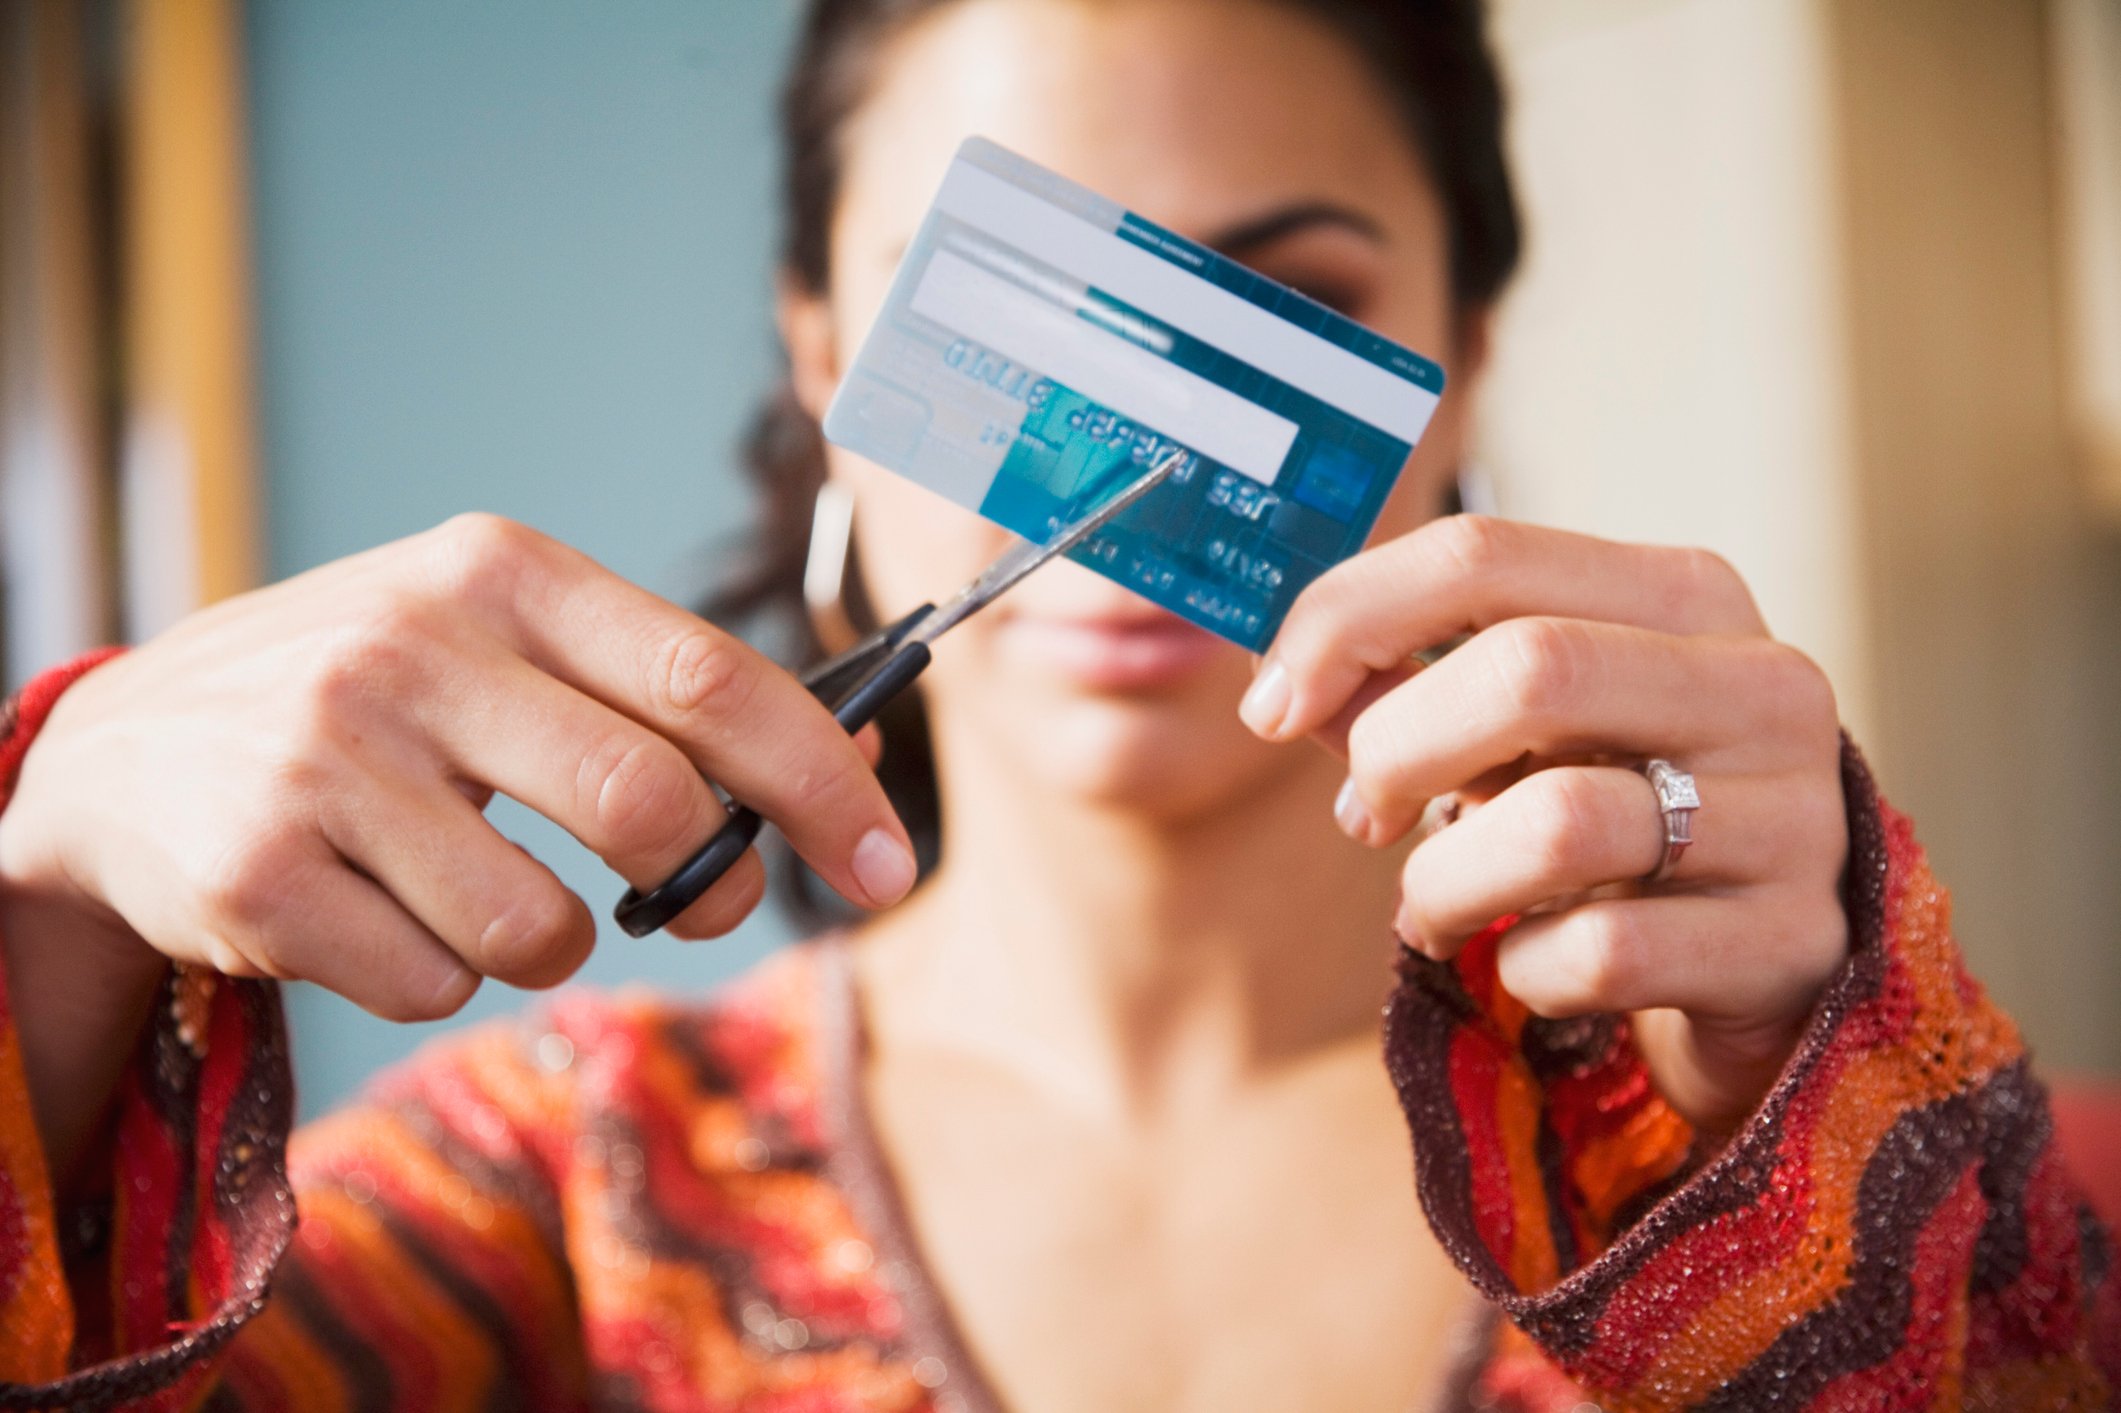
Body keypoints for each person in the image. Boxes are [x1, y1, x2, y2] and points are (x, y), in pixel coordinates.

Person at [0, 0, 2112, 1407]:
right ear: (822, 351)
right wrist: (43, 925)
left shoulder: (1783, 1144)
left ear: (1462, 356)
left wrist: (1843, 1176)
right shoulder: (557, 1190)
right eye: (997, 311)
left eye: (1290, 303)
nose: (1125, 487)